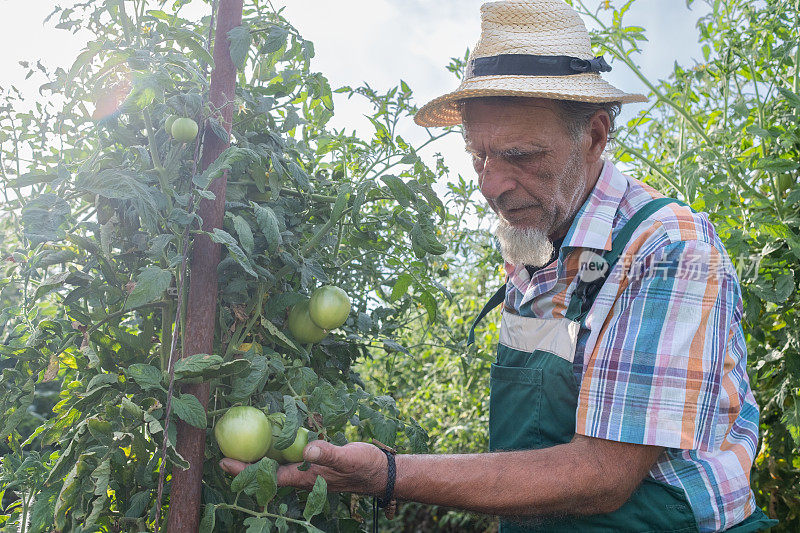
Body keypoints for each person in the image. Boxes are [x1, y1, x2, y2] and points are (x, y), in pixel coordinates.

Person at [221, 1, 776, 531]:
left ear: (596, 136)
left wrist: (388, 475)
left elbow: (602, 476)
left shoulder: (665, 249)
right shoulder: (531, 241)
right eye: (478, 155)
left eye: (520, 156)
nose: (491, 184)